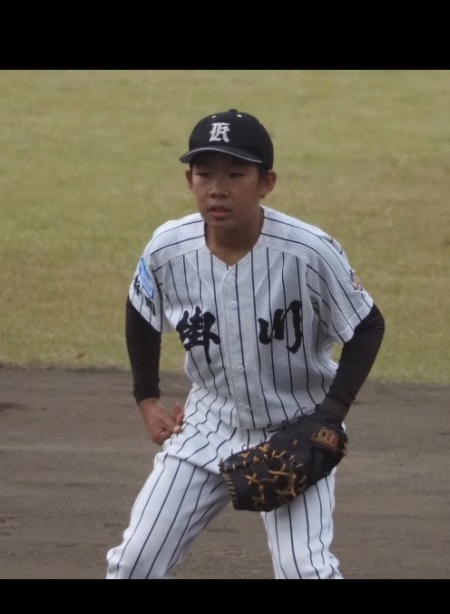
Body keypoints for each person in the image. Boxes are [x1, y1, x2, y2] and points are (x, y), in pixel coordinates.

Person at [106, 109, 385, 580]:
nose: (217, 189)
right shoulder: (167, 248)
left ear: (266, 182)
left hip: (296, 428)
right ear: (189, 180)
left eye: (235, 174)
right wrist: (147, 399)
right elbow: (141, 309)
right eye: (204, 174)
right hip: (205, 425)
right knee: (133, 564)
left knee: (304, 571)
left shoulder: (309, 251)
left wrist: (329, 414)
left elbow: (367, 326)